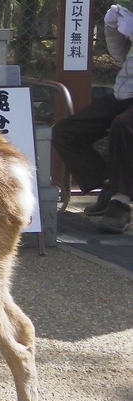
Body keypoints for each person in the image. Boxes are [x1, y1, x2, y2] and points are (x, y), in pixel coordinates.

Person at [52, 4, 133, 234]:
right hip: (124, 93)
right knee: (65, 132)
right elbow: (121, 55)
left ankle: (121, 201)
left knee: (123, 126)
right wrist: (113, 28)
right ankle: (111, 185)